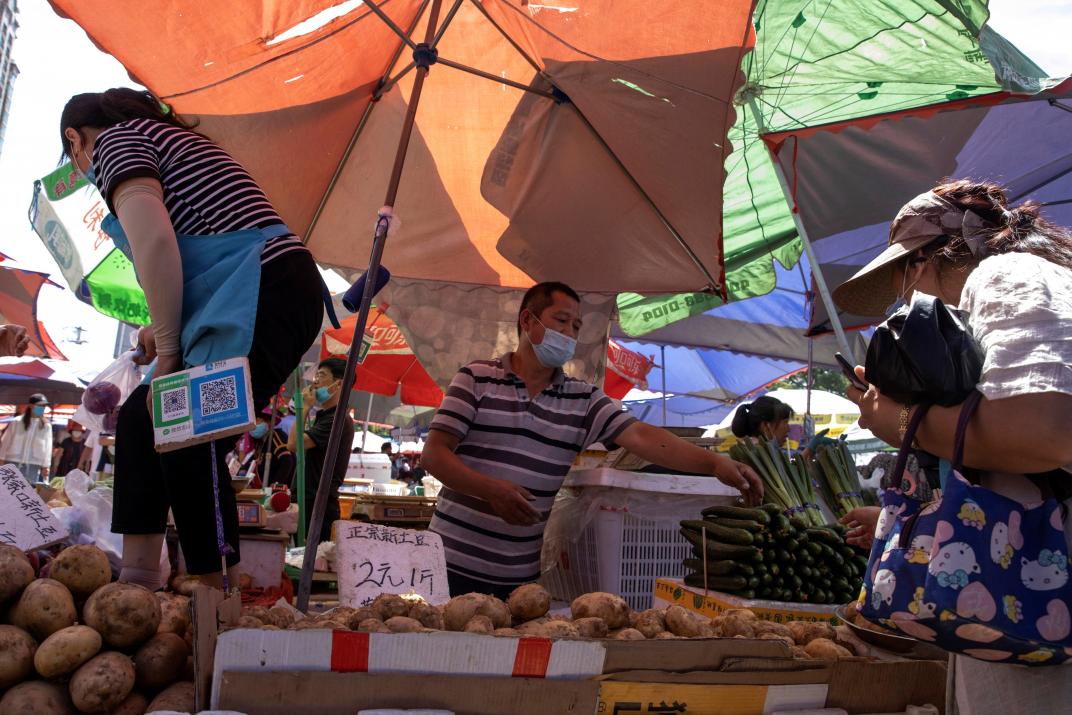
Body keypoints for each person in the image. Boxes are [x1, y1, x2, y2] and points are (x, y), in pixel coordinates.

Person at [61, 88, 323, 590]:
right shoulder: (166, 139)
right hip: (266, 291)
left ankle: (216, 588)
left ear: (76, 138)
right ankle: (137, 585)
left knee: (183, 425)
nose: (81, 168)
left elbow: (157, 241)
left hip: (264, 288)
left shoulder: (117, 141)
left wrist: (171, 345)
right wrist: (160, 335)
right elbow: (187, 254)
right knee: (142, 419)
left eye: (74, 158)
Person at [832, 180, 1072, 715]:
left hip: (1042, 610)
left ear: (923, 263)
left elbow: (1041, 433)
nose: (906, 300)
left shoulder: (1006, 274)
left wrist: (897, 420)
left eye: (903, 281)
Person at [422, 281, 763, 598]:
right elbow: (434, 455)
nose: (569, 333)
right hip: (443, 564)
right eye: (561, 320)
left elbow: (642, 436)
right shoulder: (476, 378)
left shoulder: (583, 400)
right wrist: (491, 490)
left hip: (517, 582)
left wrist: (714, 463)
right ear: (528, 320)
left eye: (576, 327)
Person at [288, 359, 354, 542]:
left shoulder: (337, 418)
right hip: (311, 502)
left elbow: (293, 444)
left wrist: (304, 407)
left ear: (339, 383)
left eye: (322, 375)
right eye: (316, 375)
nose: (315, 381)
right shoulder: (326, 416)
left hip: (318, 505)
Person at [0, 394, 53, 484]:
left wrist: (46, 466)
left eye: (43, 406)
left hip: (33, 465)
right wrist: (1, 459)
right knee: (9, 491)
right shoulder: (16, 421)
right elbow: (6, 441)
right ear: (31, 405)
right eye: (39, 405)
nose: (42, 408)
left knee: (28, 493)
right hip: (12, 462)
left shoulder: (46, 426)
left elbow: (48, 447)